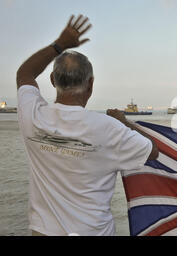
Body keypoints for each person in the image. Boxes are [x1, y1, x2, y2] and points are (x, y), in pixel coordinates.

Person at [16, 15, 158, 236]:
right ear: (91, 85)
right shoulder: (110, 129)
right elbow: (152, 151)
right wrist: (125, 123)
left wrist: (59, 44)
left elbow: (24, 73)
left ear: (53, 80)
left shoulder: (33, 116)